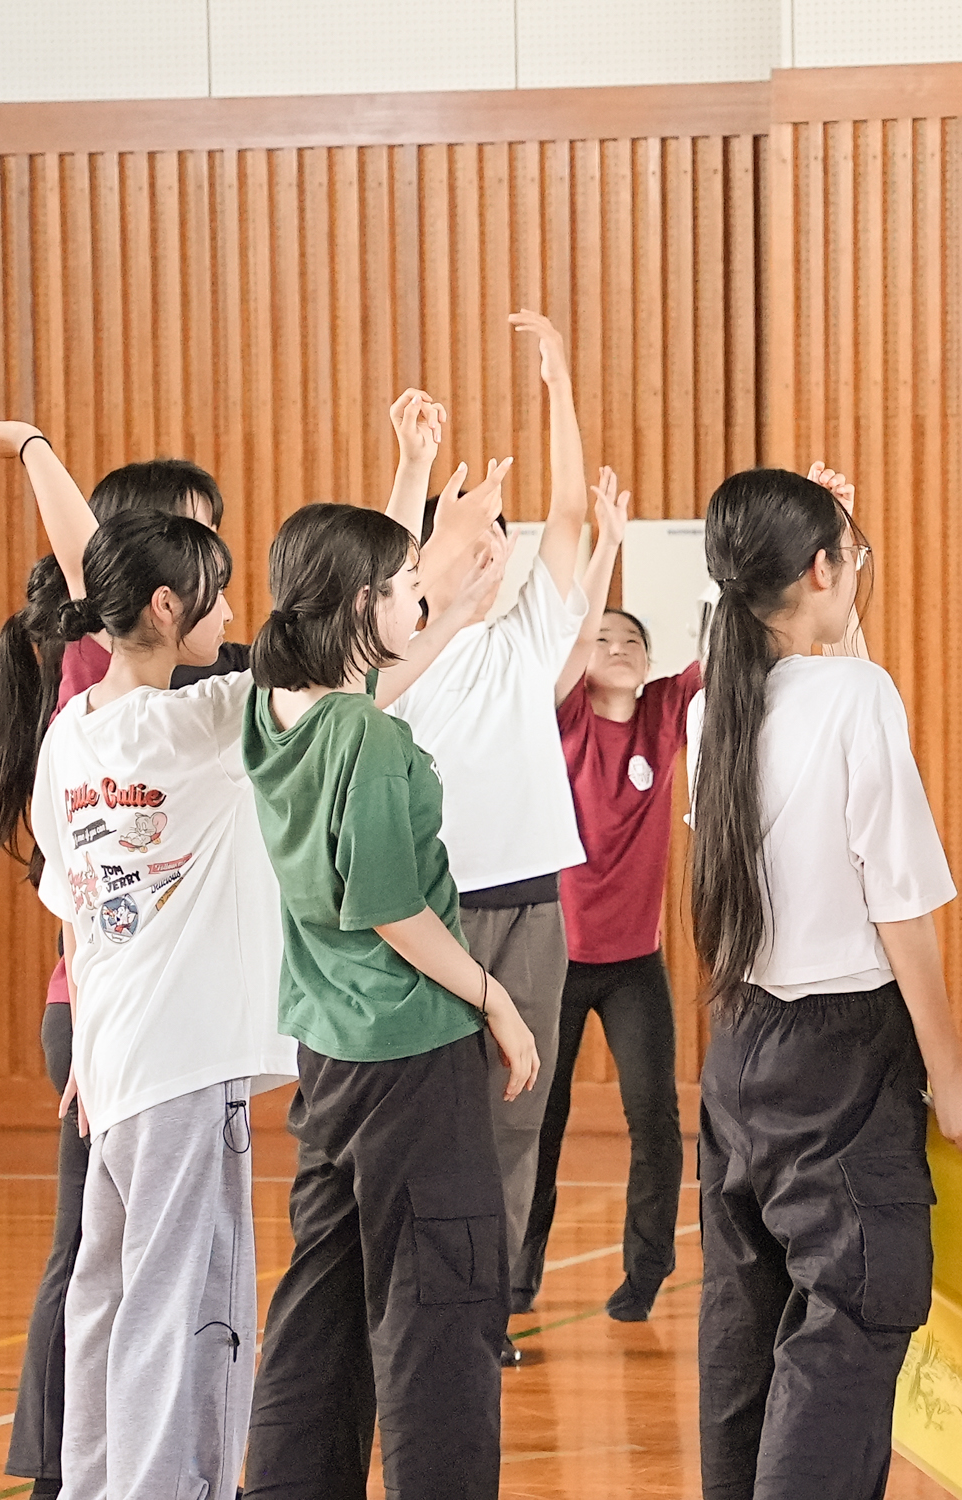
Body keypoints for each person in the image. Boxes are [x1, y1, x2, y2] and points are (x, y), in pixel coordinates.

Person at [686, 465, 962, 1500]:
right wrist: (952, 1076)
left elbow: (832, 690)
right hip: (841, 1055)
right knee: (854, 1316)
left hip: (741, 1048)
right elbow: (900, 906)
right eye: (850, 557)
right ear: (821, 571)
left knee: (745, 1323)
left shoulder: (714, 707)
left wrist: (833, 556)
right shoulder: (857, 698)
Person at [239, 502, 539, 1500]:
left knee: (321, 1304)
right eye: (407, 585)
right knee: (441, 1310)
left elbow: (364, 686)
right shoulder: (362, 733)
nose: (421, 595)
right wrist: (494, 998)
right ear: (361, 600)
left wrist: (450, 612)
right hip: (409, 1051)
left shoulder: (278, 706)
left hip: (330, 1052)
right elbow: (390, 906)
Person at [0, 440, 264, 1500]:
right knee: (178, 1303)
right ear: (162, 602)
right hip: (178, 1060)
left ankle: (91, 1483)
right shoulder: (201, 719)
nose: (229, 610)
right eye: (213, 587)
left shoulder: (70, 731)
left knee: (107, 1290)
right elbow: (345, 667)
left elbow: (74, 912)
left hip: (111, 1054)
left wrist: (91, 1050)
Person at [380, 315, 592, 1362]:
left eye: (504, 538)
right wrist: (413, 468)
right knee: (434, 1114)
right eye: (480, 534)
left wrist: (560, 387)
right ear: (425, 557)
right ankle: (412, 1305)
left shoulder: (525, 639)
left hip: (535, 905)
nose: (500, 548)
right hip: (439, 915)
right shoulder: (398, 651)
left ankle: (484, 1315)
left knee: (517, 1114)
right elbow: (382, 568)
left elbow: (569, 516)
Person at [516, 470, 705, 1323]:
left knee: (655, 1118)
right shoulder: (566, 716)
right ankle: (516, 1279)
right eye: (603, 637)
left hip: (635, 965)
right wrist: (608, 544)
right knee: (540, 1121)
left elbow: (730, 646)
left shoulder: (665, 711)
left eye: (632, 639)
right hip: (555, 960)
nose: (618, 645)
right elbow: (574, 632)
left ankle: (646, 1273)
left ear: (650, 662)